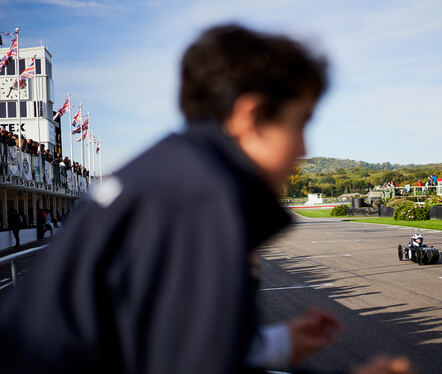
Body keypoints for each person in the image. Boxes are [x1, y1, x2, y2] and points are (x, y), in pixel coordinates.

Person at [0, 24, 413, 374]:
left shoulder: (168, 171)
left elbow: (162, 345)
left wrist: (276, 346)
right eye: (299, 123)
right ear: (251, 117)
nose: (304, 147)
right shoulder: (203, 199)